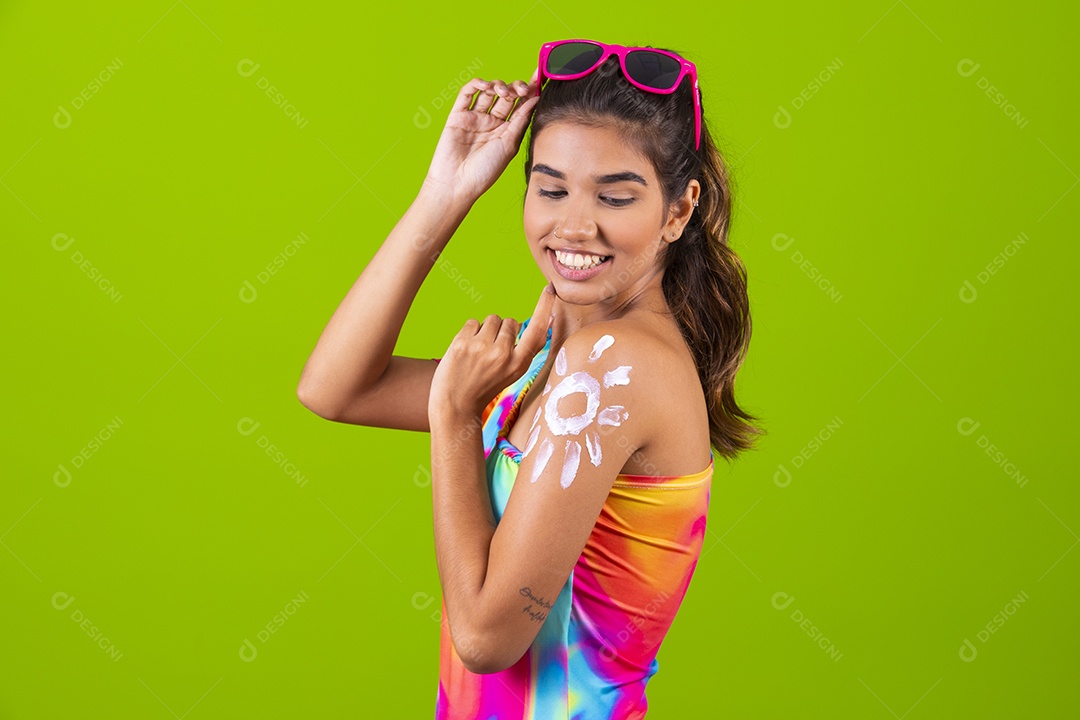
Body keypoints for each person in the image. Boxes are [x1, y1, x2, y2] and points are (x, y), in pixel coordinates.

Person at [297, 38, 763, 720]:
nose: (574, 225)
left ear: (678, 211)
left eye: (615, 197)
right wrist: (446, 192)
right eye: (550, 189)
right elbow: (337, 388)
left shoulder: (617, 366)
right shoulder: (552, 357)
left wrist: (456, 419)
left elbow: (486, 638)